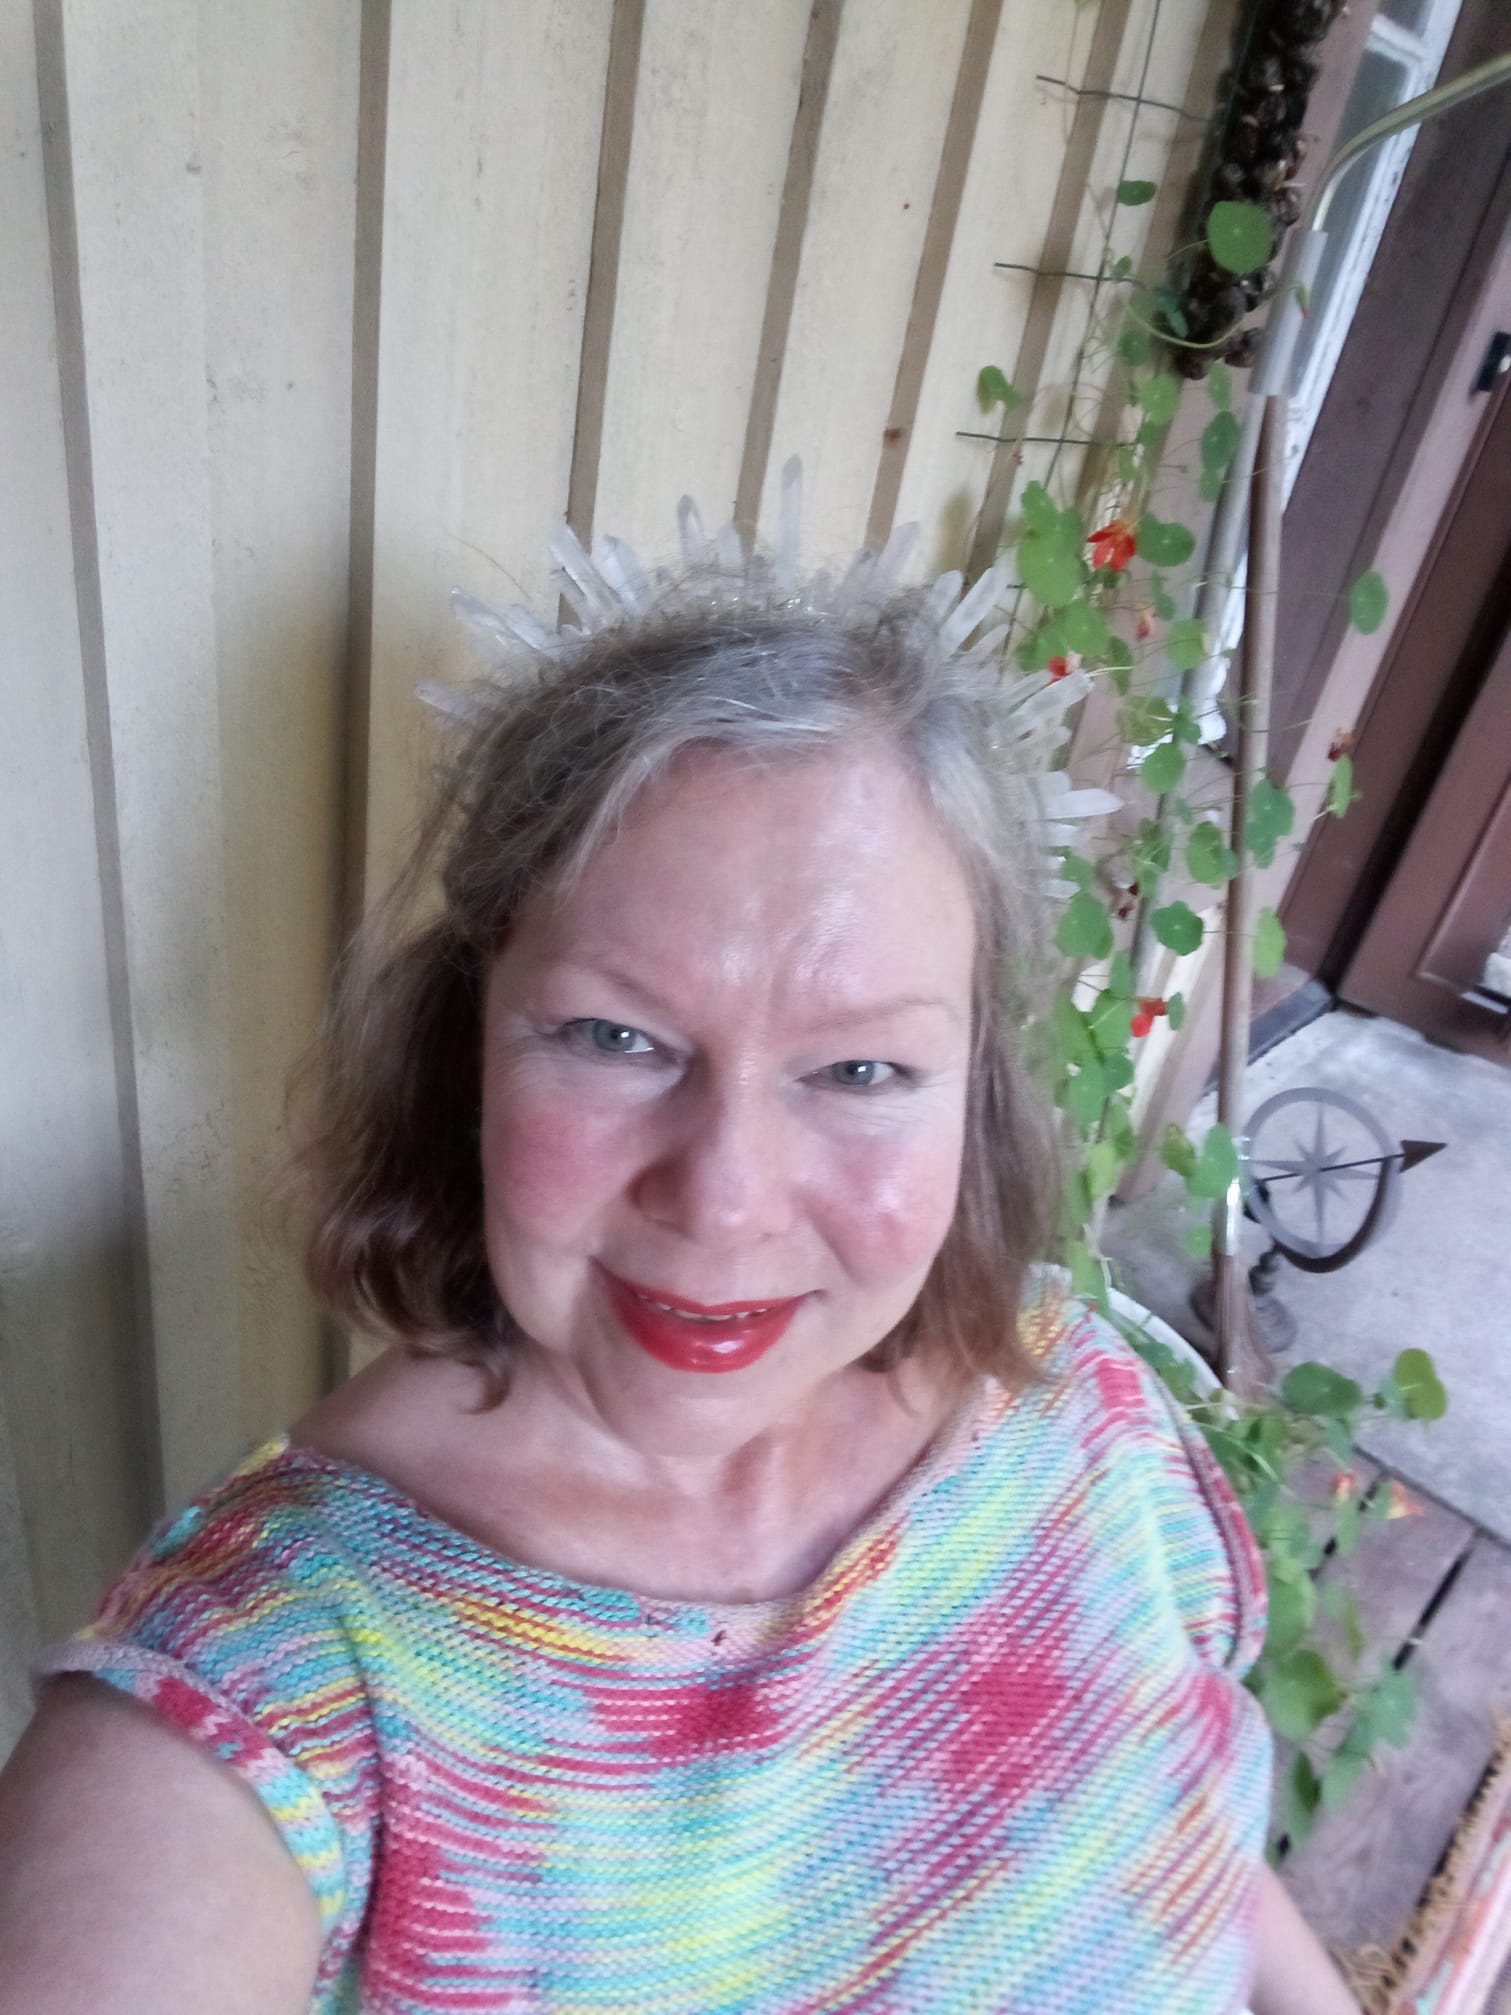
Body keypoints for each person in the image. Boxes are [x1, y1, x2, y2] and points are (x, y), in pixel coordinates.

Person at [0, 539, 1358, 2013]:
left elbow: (1190, 1825)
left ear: (973, 1091)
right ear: (466, 1046)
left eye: (859, 1069)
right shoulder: (281, 1682)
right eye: (616, 1039)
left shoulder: (1068, 1396)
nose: (724, 1203)